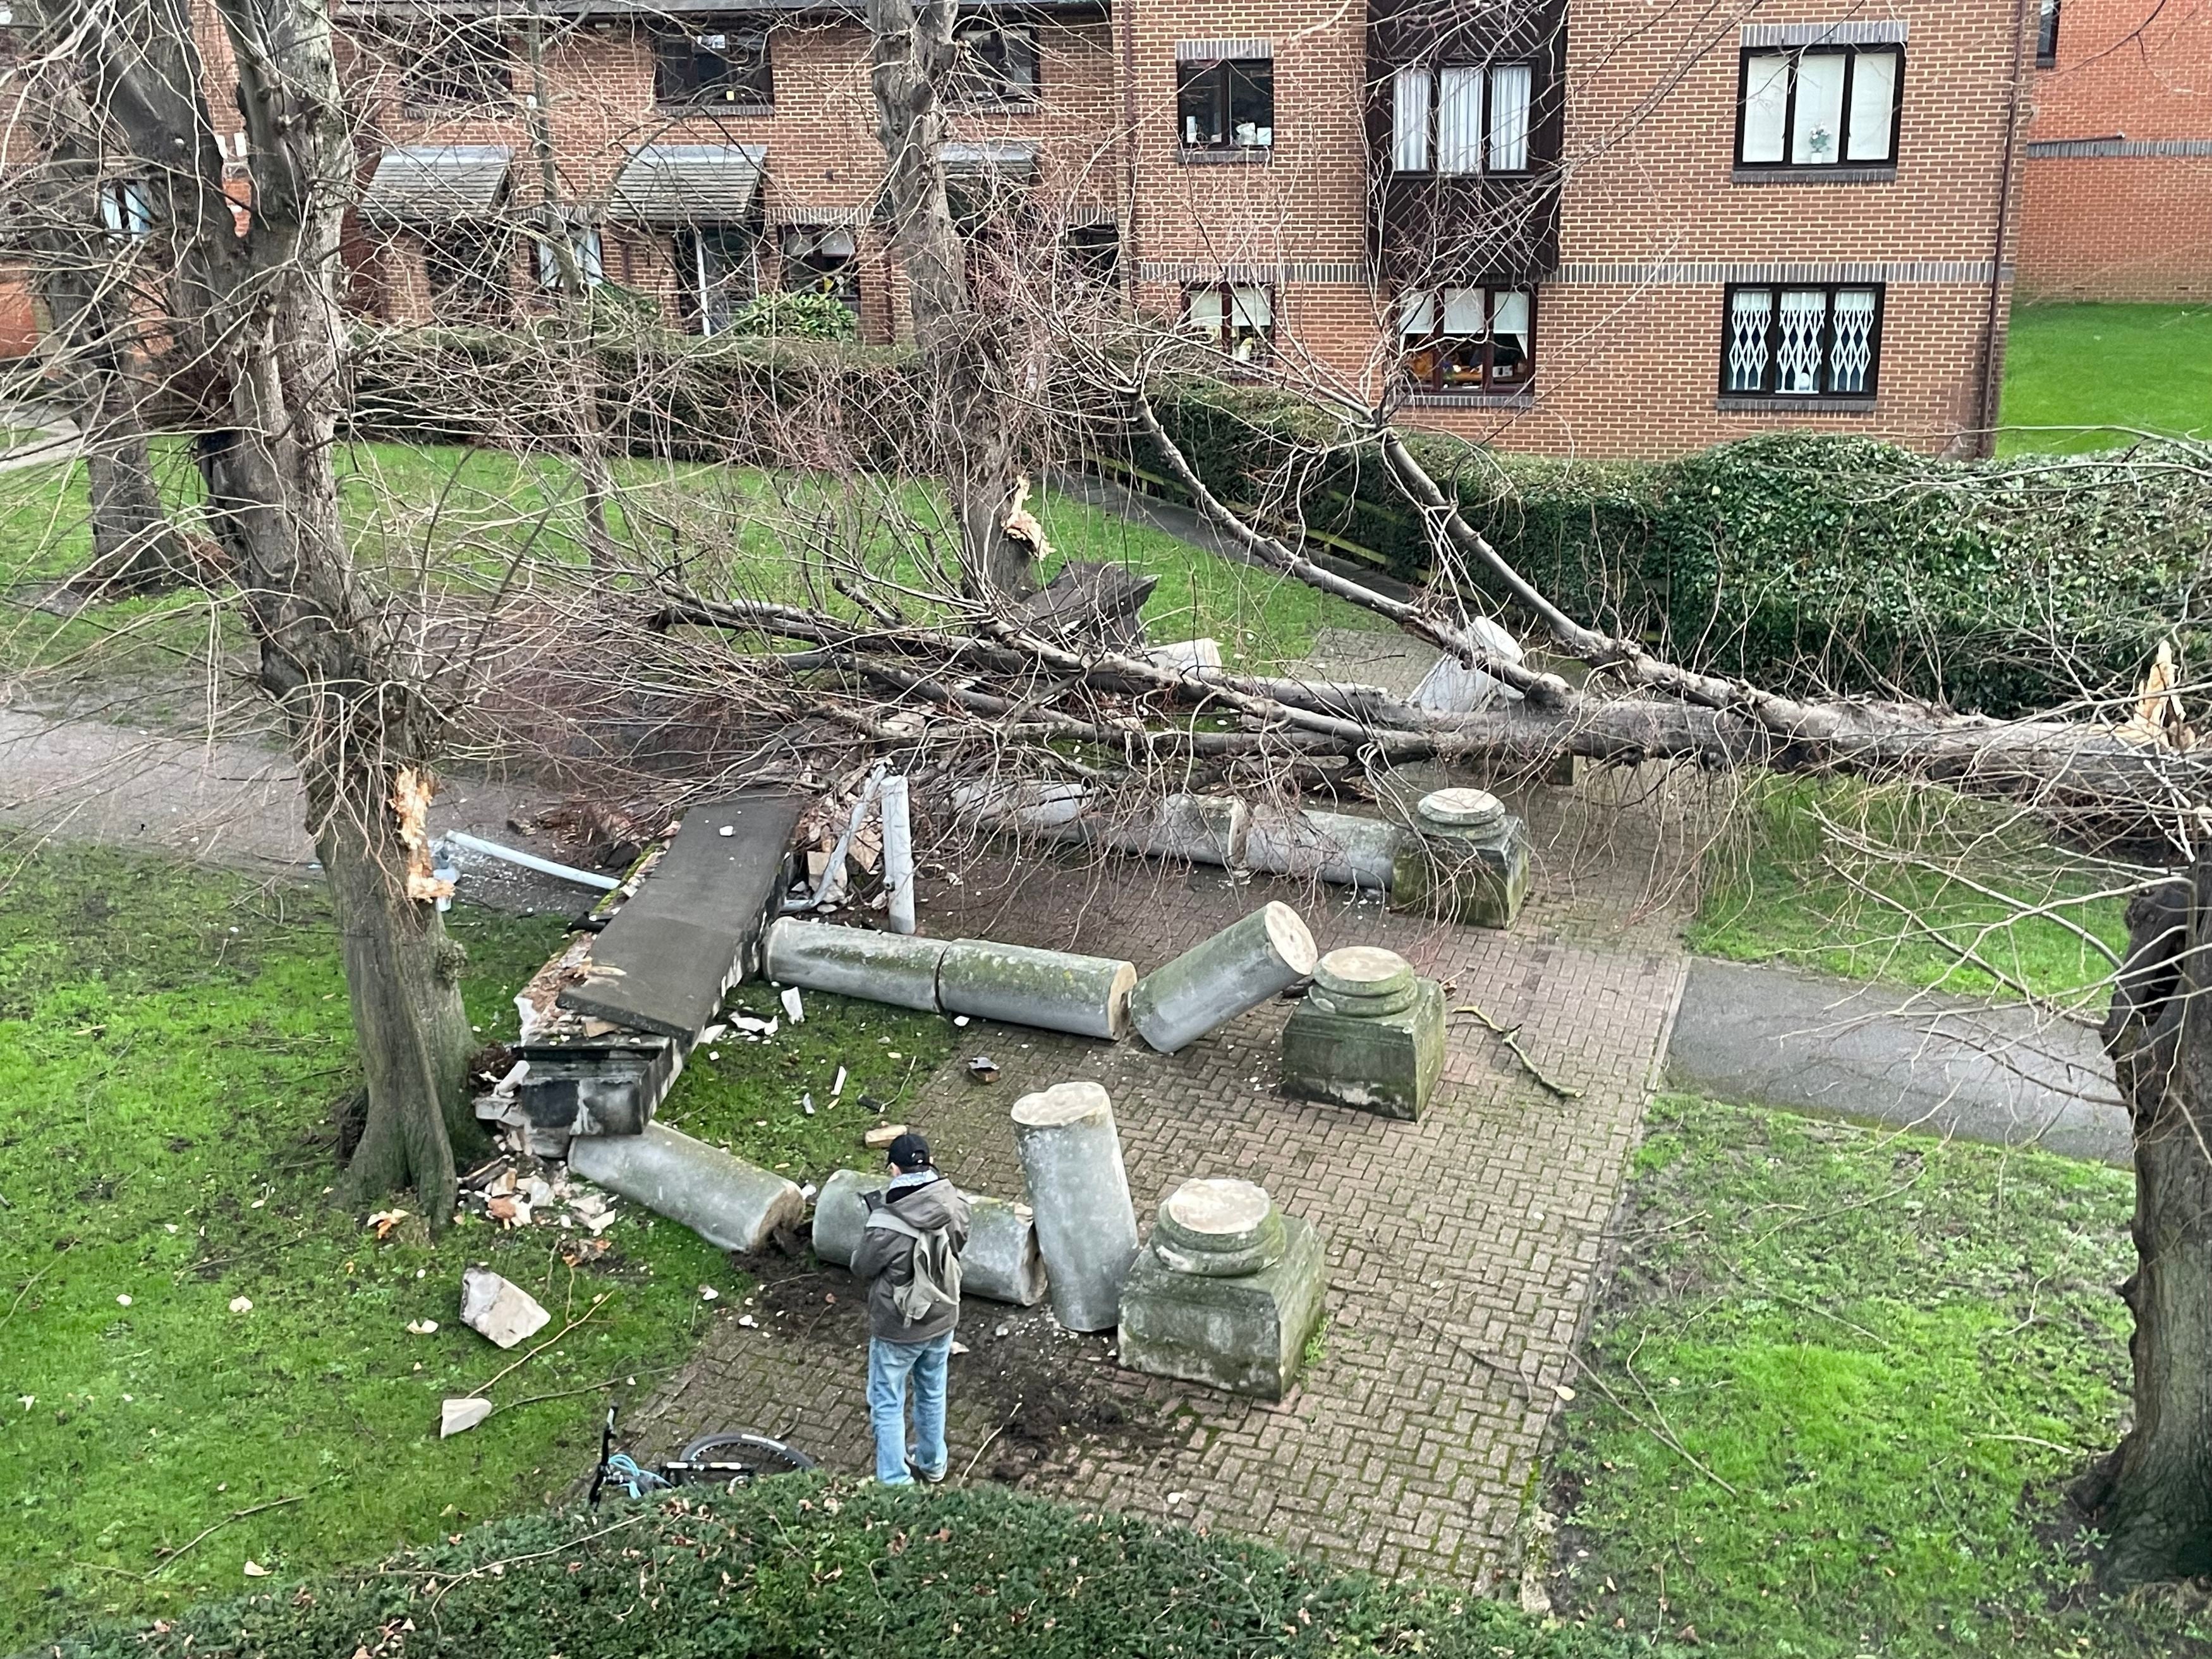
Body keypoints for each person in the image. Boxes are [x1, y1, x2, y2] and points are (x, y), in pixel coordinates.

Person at [850, 1130, 971, 1485]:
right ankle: (933, 1464)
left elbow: (862, 1267)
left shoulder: (886, 1224)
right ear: (930, 1163)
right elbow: (959, 1245)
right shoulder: (957, 1203)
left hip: (898, 1326)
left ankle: (894, 1482)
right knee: (932, 1389)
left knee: (887, 1399)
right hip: (943, 1316)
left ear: (894, 1170)